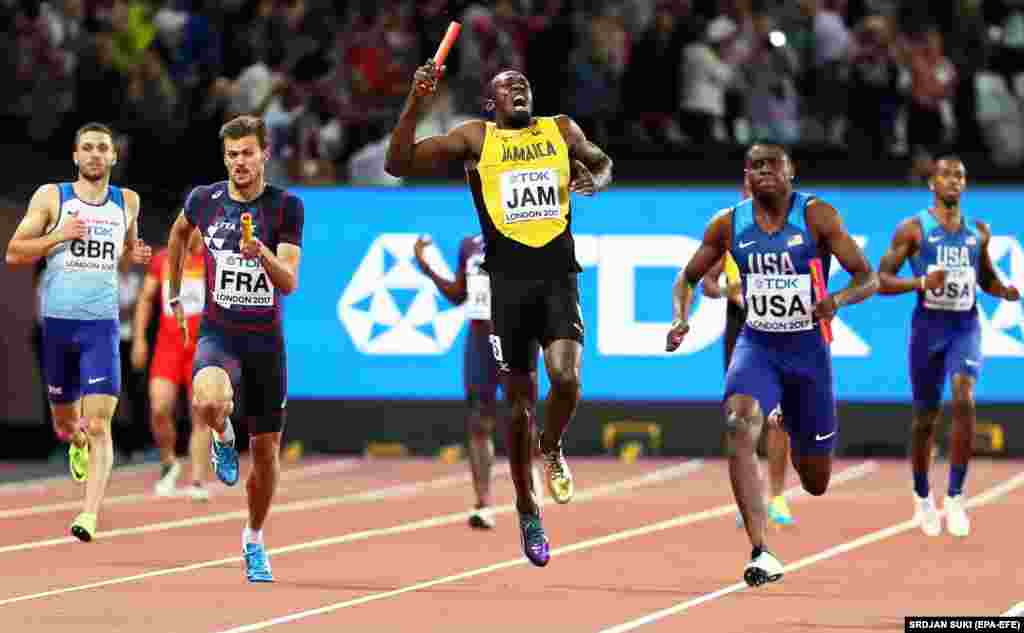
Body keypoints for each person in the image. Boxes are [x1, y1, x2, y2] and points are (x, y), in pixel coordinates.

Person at [385, 64, 613, 567]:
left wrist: (592, 176)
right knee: (517, 407)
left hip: (558, 277)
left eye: (523, 83)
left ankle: (551, 446)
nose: (518, 88)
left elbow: (602, 162)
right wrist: (416, 101)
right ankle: (527, 508)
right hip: (506, 288)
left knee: (567, 379)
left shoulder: (560, 130)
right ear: (491, 104)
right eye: (506, 86)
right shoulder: (476, 138)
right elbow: (397, 163)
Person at [666, 144, 878, 587]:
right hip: (757, 344)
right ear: (747, 175)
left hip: (808, 353)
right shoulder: (727, 223)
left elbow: (868, 277)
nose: (764, 171)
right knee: (739, 423)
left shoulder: (818, 216)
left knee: (815, 480)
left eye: (772, 165)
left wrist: (837, 300)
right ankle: (761, 550)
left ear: (791, 172)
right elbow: (687, 277)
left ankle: (794, 429)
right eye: (756, 166)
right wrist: (680, 319)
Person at [166, 114, 304, 582]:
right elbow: (178, 234)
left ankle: (254, 538)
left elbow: (289, 282)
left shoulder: (286, 207)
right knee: (207, 401)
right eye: (231, 155)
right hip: (219, 333)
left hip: (265, 343)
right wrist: (174, 294)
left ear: (265, 154)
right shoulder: (203, 200)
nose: (239, 162)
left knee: (265, 456)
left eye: (247, 153)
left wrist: (260, 252)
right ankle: (223, 436)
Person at [5, 122, 152, 542]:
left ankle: (88, 514)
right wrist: (59, 235)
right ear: (75, 156)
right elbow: (14, 251)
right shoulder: (52, 197)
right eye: (87, 148)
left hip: (101, 328)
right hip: (58, 327)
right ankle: (75, 441)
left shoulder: (128, 201)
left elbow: (128, 247)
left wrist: (135, 252)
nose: (94, 154)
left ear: (113, 156)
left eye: (102, 148)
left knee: (100, 423)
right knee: (66, 422)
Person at [877, 155, 1020, 538]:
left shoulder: (978, 232)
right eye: (946, 175)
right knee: (925, 418)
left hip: (964, 326)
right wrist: (922, 283)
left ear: (965, 184)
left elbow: (985, 277)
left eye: (960, 175)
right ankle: (922, 495)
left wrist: (1002, 290)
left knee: (964, 396)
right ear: (932, 184)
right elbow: (882, 280)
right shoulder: (913, 230)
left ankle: (955, 496)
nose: (953, 180)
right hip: (928, 329)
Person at [413, 233, 544, 529]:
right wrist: (427, 267)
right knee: (478, 420)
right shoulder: (470, 244)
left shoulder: (527, 234)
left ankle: (529, 477)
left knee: (521, 416)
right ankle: (483, 503)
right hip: (479, 339)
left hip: (516, 338)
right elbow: (458, 294)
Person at [703, 180, 794, 529]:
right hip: (741, 329)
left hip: (780, 328)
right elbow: (708, 284)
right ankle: (750, 496)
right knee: (742, 418)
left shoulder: (789, 231)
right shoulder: (728, 231)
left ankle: (778, 497)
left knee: (778, 417)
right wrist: (730, 290)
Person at [132, 228, 211, 500]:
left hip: (200, 348)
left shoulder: (211, 261)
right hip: (169, 346)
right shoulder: (163, 260)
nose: (193, 236)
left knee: (200, 412)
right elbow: (145, 299)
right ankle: (169, 462)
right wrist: (139, 339)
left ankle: (198, 480)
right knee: (159, 407)